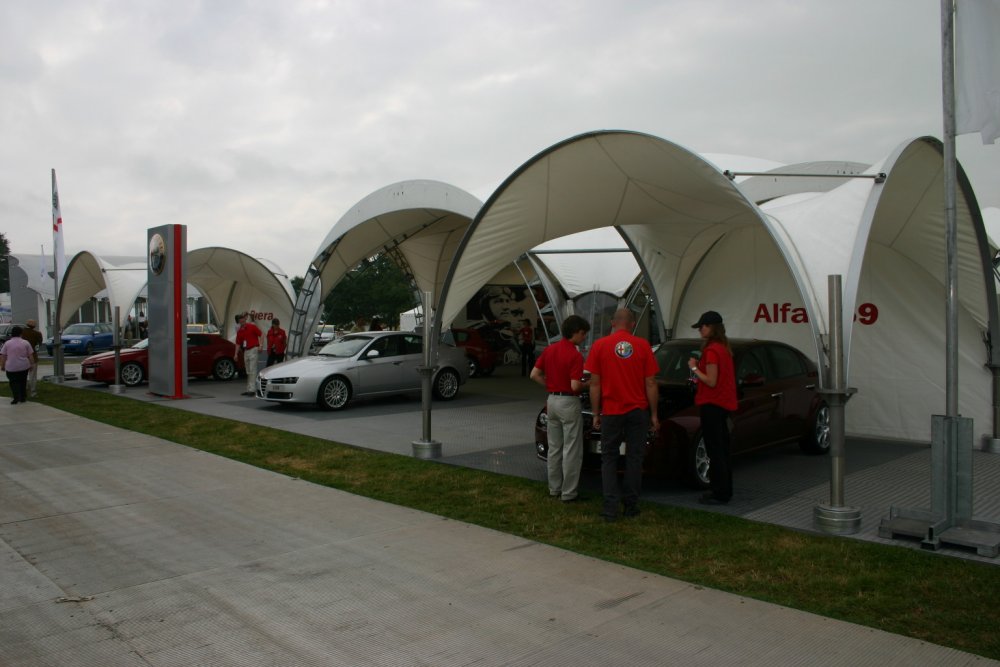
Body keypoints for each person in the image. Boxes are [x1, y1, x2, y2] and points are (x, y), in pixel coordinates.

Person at [585, 308, 659, 522]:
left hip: (612, 411)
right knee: (634, 458)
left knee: (608, 458)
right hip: (637, 411)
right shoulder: (643, 346)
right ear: (633, 323)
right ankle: (631, 505)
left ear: (612, 322)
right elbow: (651, 383)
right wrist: (654, 414)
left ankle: (610, 508)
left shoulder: (599, 346)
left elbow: (595, 385)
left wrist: (596, 413)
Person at [530, 315, 591, 502]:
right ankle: (569, 493)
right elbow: (575, 386)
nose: (584, 337)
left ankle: (554, 488)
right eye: (582, 333)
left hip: (552, 400)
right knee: (572, 449)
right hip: (568, 402)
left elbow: (534, 374)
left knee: (554, 448)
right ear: (575, 332)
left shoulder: (550, 350)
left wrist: (550, 385)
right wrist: (590, 384)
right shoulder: (575, 355)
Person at [687, 310, 738, 505]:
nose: (700, 329)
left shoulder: (712, 351)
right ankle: (723, 489)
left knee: (715, 449)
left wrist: (693, 367)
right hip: (722, 404)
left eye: (704, 326)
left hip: (712, 404)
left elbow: (711, 380)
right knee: (722, 448)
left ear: (713, 328)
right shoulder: (724, 349)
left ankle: (720, 492)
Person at [1, 325, 36, 405]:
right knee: (22, 382)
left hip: (11, 367)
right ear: (21, 334)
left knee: (13, 382)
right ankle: (22, 397)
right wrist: (32, 364)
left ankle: (15, 397)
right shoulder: (25, 342)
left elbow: (3, 355)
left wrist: (2, 366)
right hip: (23, 366)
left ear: (12, 334)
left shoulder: (7, 343)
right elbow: (30, 355)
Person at [235, 312, 263, 396]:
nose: (242, 321)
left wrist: (260, 345)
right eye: (240, 320)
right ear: (239, 321)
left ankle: (252, 390)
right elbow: (238, 343)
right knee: (248, 370)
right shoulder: (240, 331)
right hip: (246, 350)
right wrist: (235, 354)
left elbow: (261, 335)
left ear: (245, 319)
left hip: (253, 349)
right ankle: (249, 388)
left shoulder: (252, 327)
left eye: (243, 319)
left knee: (252, 369)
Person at [21, 319, 44, 398]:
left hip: (22, 356)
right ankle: (33, 392)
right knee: (33, 375)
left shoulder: (22, 332)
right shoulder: (37, 333)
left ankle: (24, 389)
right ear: (34, 326)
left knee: (23, 374)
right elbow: (40, 343)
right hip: (33, 356)